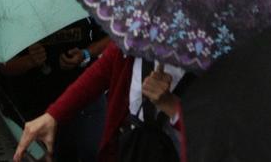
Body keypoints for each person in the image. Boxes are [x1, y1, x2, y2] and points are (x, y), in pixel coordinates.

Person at [14, 46, 185, 162]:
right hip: (131, 144)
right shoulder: (137, 30)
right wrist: (53, 115)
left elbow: (209, 135)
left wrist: (172, 106)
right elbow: (104, 68)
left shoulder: (206, 56)